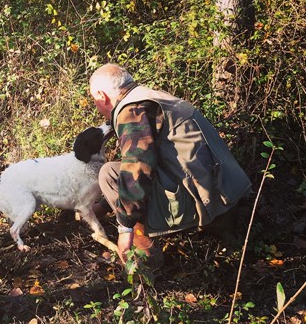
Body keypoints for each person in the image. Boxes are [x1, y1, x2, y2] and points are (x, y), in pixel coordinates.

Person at [89, 63, 251, 266]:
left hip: (204, 202)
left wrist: (125, 228)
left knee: (109, 173)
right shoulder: (152, 97)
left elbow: (137, 166)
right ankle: (224, 231)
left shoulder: (131, 110)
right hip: (226, 190)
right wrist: (104, 206)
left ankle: (145, 255)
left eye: (94, 100)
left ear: (101, 95)